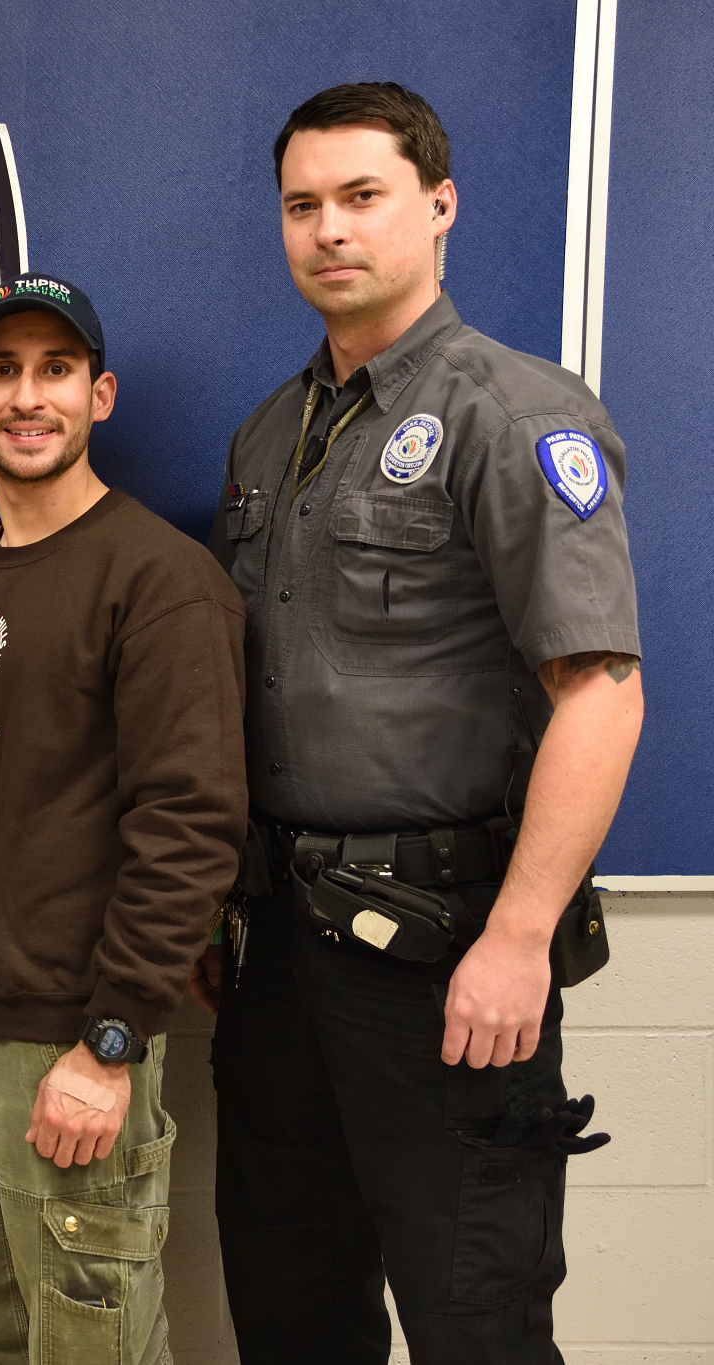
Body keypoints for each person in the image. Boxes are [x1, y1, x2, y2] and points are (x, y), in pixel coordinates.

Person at [202, 83, 642, 1365]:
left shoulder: (514, 416)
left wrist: (518, 936)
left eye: (360, 197)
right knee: (288, 1305)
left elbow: (598, 690)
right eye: (301, 205)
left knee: (474, 1319)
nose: (327, 230)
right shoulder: (268, 434)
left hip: (445, 954)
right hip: (277, 943)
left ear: (436, 207)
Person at [0, 271, 248, 1365]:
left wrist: (108, 1042)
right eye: (1, 372)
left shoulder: (160, 581)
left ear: (98, 396)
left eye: (54, 370)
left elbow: (190, 826)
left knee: (91, 1350)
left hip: (66, 1047)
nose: (28, 397)